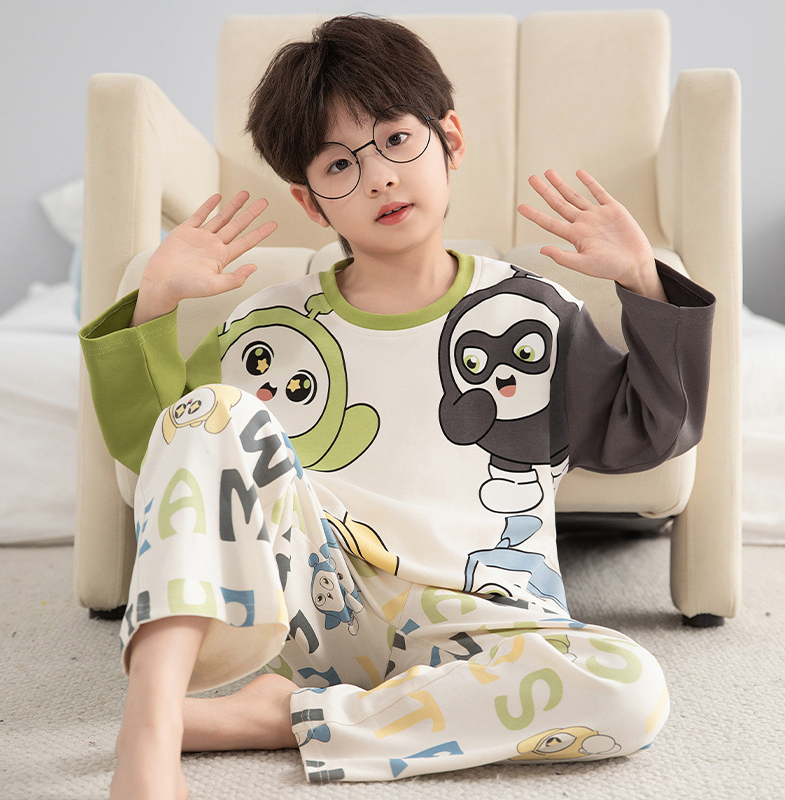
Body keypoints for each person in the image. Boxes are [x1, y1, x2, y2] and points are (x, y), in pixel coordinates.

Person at [80, 14, 715, 799]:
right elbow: (169, 458)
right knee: (210, 410)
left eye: (396, 140)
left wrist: (644, 281)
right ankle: (150, 727)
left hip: (484, 622)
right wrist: (154, 303)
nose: (378, 177)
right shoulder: (270, 326)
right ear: (311, 202)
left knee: (629, 689)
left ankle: (285, 718)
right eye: (339, 165)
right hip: (318, 606)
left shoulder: (532, 313)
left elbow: (651, 431)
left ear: (450, 140)